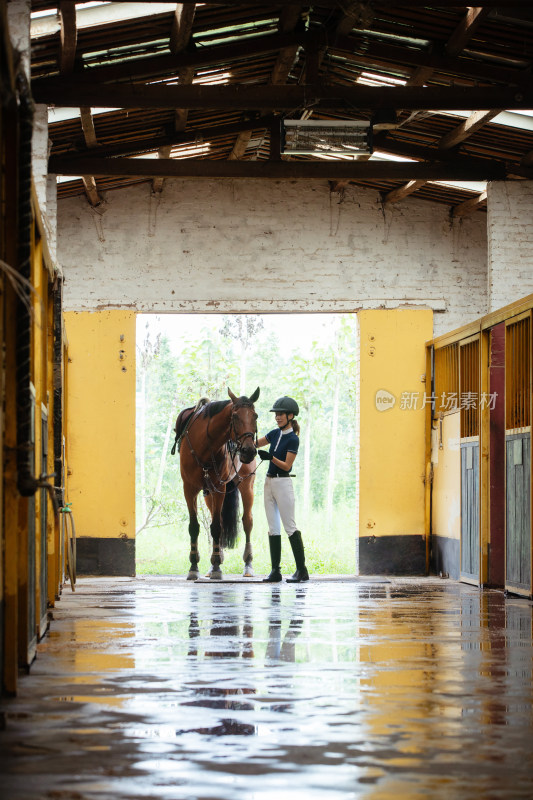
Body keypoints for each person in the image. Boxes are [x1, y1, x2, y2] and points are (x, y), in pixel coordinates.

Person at [256, 396, 309, 583]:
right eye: (276, 414)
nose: (277, 417)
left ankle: (302, 570)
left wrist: (270, 458)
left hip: (283, 483)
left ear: (290, 416)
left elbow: (287, 465)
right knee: (273, 527)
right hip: (269, 482)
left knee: (290, 526)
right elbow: (256, 444)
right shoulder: (274, 434)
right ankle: (275, 571)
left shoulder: (293, 439)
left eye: (280, 415)